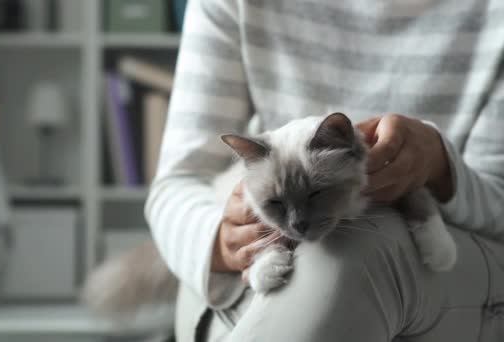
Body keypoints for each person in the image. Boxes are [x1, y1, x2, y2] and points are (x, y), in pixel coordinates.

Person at [145, 1, 504, 340]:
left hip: (455, 270)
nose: (299, 221)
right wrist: (224, 242)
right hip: (249, 273)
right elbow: (178, 184)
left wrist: (442, 168)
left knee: (347, 249)